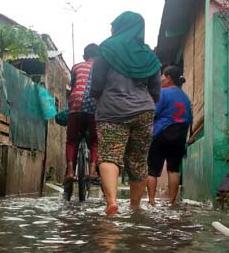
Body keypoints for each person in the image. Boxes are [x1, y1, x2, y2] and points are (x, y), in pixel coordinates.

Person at [90, 11, 161, 215]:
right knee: (138, 159)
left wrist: (99, 101)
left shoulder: (107, 49)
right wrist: (145, 104)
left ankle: (112, 202)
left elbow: (96, 83)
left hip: (112, 110)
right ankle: (135, 206)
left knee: (110, 155)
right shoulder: (148, 55)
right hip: (144, 110)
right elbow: (156, 89)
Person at [146, 66, 192, 205]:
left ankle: (152, 201)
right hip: (180, 135)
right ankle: (172, 202)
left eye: (162, 77)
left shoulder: (163, 93)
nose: (161, 80)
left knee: (153, 170)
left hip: (161, 133)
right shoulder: (185, 97)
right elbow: (189, 118)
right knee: (173, 169)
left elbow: (154, 113)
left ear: (169, 78)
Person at [64, 43, 100, 185]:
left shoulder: (76, 67)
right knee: (94, 141)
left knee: (72, 140)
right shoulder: (100, 68)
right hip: (93, 108)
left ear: (84, 56)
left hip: (76, 105)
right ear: (98, 56)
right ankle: (92, 171)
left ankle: (70, 171)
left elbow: (73, 87)